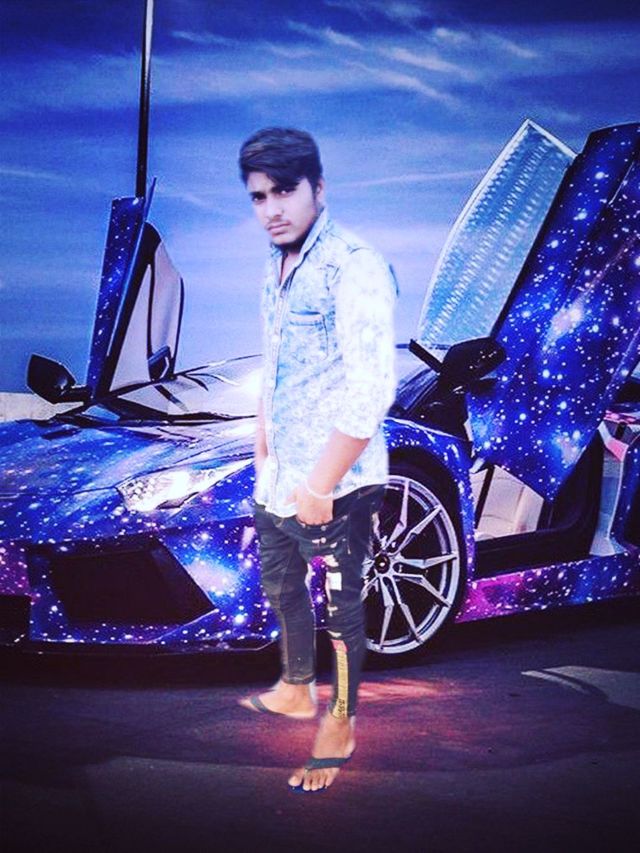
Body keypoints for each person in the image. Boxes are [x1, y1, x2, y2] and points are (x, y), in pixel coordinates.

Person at [238, 127, 397, 792]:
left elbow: (372, 387)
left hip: (339, 479)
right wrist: (262, 448)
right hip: (281, 473)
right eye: (259, 196)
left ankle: (341, 721)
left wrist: (321, 481)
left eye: (284, 191)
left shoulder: (353, 265)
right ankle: (297, 687)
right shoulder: (273, 269)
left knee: (340, 604)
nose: (271, 208)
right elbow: (275, 364)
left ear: (318, 188)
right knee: (280, 586)